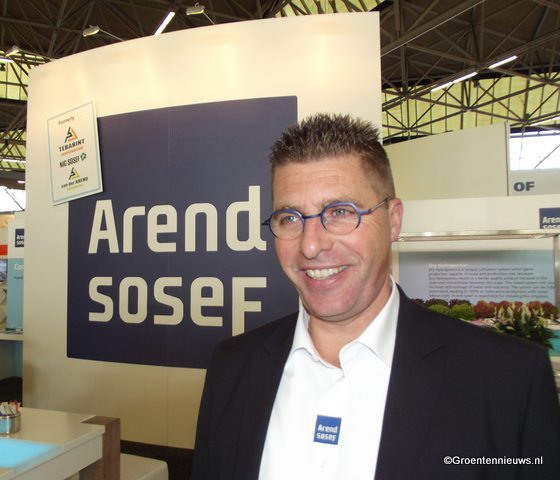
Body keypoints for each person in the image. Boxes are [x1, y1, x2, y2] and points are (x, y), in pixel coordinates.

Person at [191, 113, 560, 480]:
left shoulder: (508, 380)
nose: (311, 245)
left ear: (394, 220)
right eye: (290, 218)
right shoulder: (233, 367)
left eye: (340, 212)